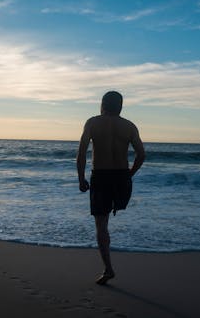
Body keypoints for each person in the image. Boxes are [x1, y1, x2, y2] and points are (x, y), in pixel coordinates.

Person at [76, 90, 145, 285]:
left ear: (102, 105)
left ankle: (108, 269)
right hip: (122, 178)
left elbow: (81, 153)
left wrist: (81, 179)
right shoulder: (130, 126)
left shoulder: (92, 123)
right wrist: (129, 175)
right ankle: (109, 266)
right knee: (108, 219)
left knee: (101, 225)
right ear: (121, 106)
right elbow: (141, 155)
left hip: (101, 176)